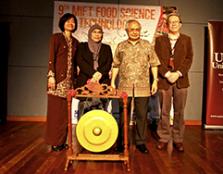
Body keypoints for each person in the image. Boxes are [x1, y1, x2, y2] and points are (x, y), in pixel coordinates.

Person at [111, 19, 160, 154]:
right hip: (124, 86)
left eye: (137, 29)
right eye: (131, 29)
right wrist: (112, 82)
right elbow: (115, 65)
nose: (134, 32)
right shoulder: (121, 46)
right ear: (127, 31)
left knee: (142, 116)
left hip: (143, 86)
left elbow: (154, 64)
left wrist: (155, 81)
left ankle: (140, 142)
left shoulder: (147, 45)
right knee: (123, 116)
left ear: (140, 31)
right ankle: (122, 142)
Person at [155, 13, 193, 152]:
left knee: (179, 111)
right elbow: (156, 59)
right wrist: (166, 74)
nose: (174, 24)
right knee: (164, 111)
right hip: (164, 81)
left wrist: (177, 73)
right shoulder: (160, 41)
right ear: (167, 25)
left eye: (176, 22)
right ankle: (164, 137)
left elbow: (189, 59)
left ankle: (178, 139)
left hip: (181, 80)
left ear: (180, 24)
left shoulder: (187, 40)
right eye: (171, 22)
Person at [45, 13, 79, 152]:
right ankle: (54, 142)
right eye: (68, 21)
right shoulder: (56, 38)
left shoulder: (75, 41)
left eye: (73, 22)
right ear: (62, 23)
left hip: (69, 82)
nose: (70, 24)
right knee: (55, 113)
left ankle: (61, 141)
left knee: (65, 114)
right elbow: (51, 58)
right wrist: (51, 76)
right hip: (57, 81)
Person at [76, 24, 113, 113]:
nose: (97, 34)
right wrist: (93, 73)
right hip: (85, 81)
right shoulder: (82, 46)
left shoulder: (106, 48)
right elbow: (80, 61)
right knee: (84, 109)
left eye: (99, 32)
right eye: (94, 32)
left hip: (102, 81)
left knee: (101, 109)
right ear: (90, 34)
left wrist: (99, 74)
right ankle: (83, 127)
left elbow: (108, 63)